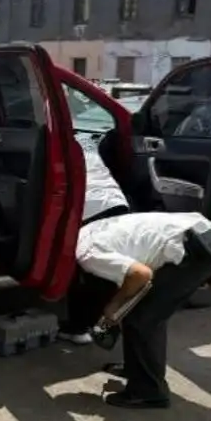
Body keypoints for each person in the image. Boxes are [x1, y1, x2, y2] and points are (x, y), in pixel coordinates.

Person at [76, 211, 211, 409]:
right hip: (202, 233)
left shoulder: (88, 254)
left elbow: (141, 274)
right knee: (138, 311)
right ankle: (136, 370)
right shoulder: (85, 232)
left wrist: (113, 307)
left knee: (144, 319)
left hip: (196, 250)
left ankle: (148, 391)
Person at [57, 136, 132, 346]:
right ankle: (103, 327)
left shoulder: (55, 142)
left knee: (83, 270)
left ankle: (80, 328)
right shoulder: (83, 139)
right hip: (117, 204)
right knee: (107, 273)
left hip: (88, 211)